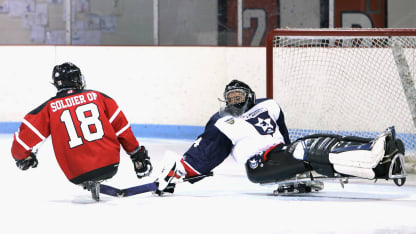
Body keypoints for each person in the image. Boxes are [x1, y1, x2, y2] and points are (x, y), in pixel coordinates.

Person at [155, 79, 406, 195]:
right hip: (260, 165)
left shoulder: (269, 106)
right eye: (230, 98)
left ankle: (377, 151)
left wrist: (289, 149)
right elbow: (207, 152)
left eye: (239, 97)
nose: (235, 102)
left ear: (250, 95)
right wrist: (180, 171)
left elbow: (283, 133)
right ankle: (374, 161)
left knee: (314, 143)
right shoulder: (224, 121)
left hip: (279, 155)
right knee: (306, 150)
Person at [11, 62, 153, 201]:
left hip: (76, 174)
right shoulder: (99, 97)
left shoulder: (48, 108)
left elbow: (19, 146)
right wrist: (137, 156)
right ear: (76, 79)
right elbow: (122, 129)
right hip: (111, 165)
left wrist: (23, 158)